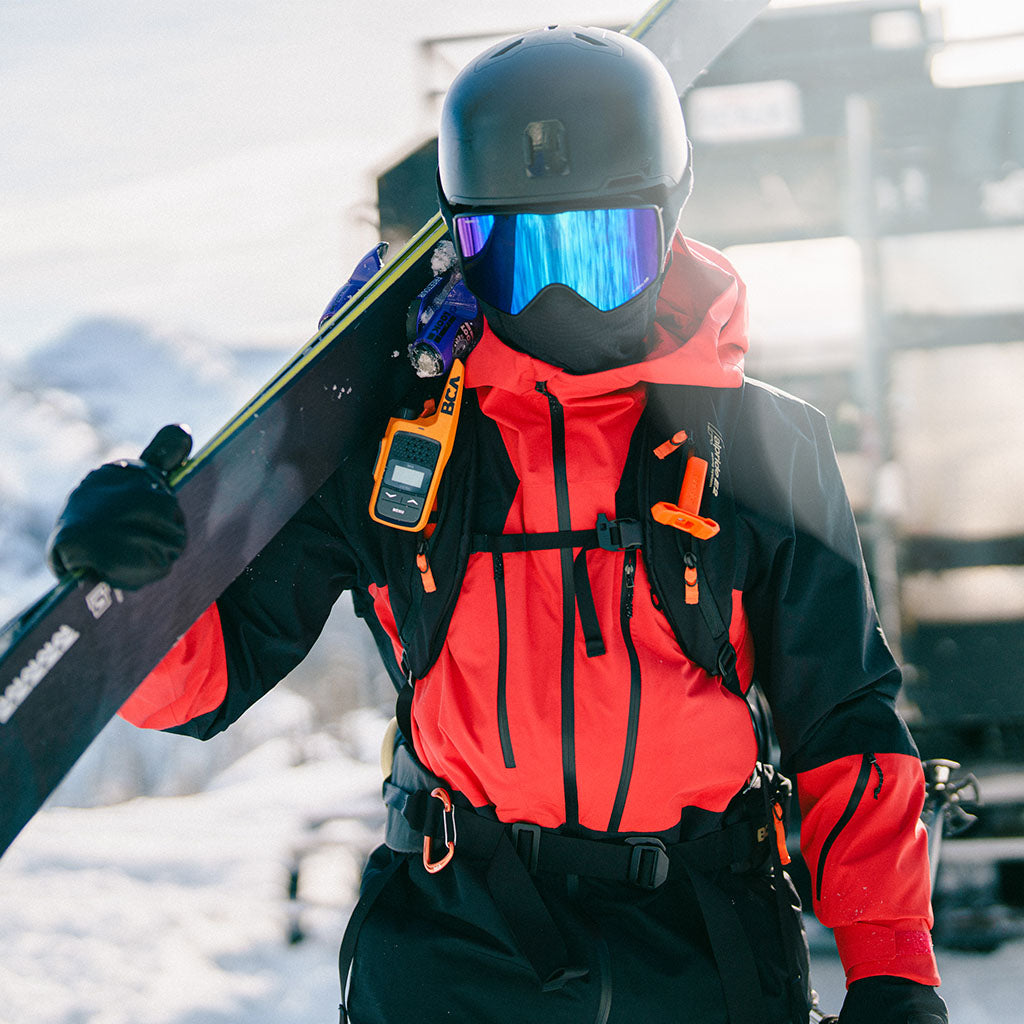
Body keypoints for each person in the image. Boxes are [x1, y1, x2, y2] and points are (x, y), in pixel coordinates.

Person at [47, 25, 948, 1024]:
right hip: (456, 937)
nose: (559, 295)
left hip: (699, 941)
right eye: (518, 256)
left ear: (669, 223)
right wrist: (138, 582)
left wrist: (891, 963)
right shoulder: (396, 451)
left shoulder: (766, 446)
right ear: (462, 244)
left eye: (601, 252)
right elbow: (203, 684)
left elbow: (844, 721)